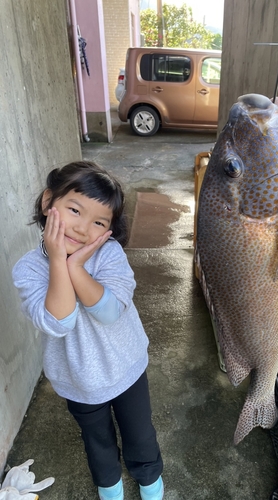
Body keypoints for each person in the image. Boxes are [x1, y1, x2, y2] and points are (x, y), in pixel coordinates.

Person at [12, 161, 164, 500]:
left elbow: (109, 312)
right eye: (75, 210)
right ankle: (109, 488)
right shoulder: (28, 270)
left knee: (140, 434)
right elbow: (59, 322)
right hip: (77, 379)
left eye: (99, 222)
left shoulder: (109, 255)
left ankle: (150, 480)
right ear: (48, 202)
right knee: (97, 441)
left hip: (127, 369)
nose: (82, 228)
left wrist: (75, 265)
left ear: (109, 230)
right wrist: (57, 262)